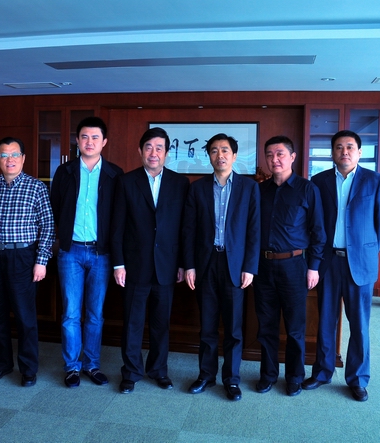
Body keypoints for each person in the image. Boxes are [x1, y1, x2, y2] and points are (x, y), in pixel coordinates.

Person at [303, 130, 380, 402]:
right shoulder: (318, 182)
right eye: (339, 147)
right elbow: (313, 224)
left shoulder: (375, 181)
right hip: (328, 262)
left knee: (359, 325)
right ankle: (322, 372)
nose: (344, 152)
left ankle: (358, 379)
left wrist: (364, 251)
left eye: (350, 147)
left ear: (359, 152)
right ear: (332, 152)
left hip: (360, 265)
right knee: (325, 322)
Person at [111, 127, 190, 394]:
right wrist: (118, 263)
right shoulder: (126, 182)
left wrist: (182, 263)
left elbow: (184, 228)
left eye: (159, 148)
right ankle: (131, 372)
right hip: (135, 265)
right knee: (132, 323)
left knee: (161, 324)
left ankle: (158, 370)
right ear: (140, 151)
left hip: (167, 265)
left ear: (167, 153)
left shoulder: (180, 183)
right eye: (148, 147)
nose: (153, 153)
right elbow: (117, 226)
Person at [182, 133, 260, 401]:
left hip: (235, 265)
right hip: (206, 264)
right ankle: (206, 375)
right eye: (214, 151)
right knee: (207, 326)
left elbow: (254, 230)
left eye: (225, 150)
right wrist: (189, 265)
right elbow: (189, 230)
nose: (220, 155)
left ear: (235, 156)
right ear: (209, 156)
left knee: (234, 328)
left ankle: (232, 379)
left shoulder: (249, 188)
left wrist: (250, 266)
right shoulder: (198, 188)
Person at [50, 116, 123, 388]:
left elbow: (118, 217)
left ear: (104, 142)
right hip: (70, 252)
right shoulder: (65, 172)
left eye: (95, 137)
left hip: (101, 253)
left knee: (95, 313)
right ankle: (72, 367)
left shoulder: (115, 174)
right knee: (70, 313)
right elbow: (56, 207)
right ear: (77, 141)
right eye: (84, 137)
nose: (89, 142)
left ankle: (91, 364)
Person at [253, 136, 325, 397]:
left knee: (295, 328)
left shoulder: (307, 189)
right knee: (266, 326)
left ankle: (294, 376)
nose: (275, 159)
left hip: (295, 266)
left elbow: (318, 232)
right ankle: (268, 375)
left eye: (280, 154)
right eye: (270, 155)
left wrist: (313, 267)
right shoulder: (259, 191)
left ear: (292, 157)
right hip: (263, 266)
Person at [0, 137, 55, 387]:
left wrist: (41, 260)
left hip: (23, 257)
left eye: (15, 154)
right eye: (4, 155)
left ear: (23, 158)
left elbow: (48, 226)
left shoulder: (36, 187)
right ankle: (1, 364)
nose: (10, 160)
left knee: (25, 316)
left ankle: (28, 369)